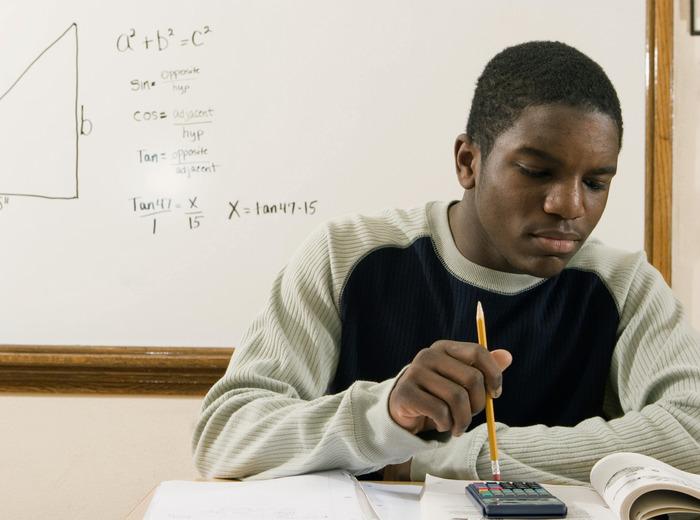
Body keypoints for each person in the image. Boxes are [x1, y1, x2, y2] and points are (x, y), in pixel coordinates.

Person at [191, 41, 700, 484]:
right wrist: (385, 413)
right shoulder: (344, 253)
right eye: (536, 171)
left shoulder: (624, 285)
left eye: (596, 182)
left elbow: (691, 432)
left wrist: (446, 459)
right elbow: (226, 436)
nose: (569, 206)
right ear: (468, 161)